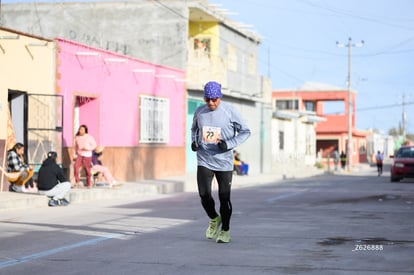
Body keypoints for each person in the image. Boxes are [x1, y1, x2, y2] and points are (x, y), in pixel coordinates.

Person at [191, 81, 251, 243]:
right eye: (207, 99)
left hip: (224, 161)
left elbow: (246, 131)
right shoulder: (200, 112)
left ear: (220, 97)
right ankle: (214, 218)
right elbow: (195, 129)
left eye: (214, 99)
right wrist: (195, 141)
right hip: (204, 158)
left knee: (224, 197)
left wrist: (228, 144)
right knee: (204, 195)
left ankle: (225, 230)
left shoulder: (230, 111)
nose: (211, 103)